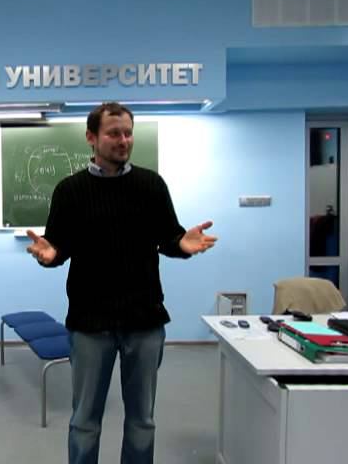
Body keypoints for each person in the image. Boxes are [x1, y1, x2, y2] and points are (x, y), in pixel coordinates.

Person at [26, 102, 217, 464]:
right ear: (91, 137)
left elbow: (169, 238)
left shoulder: (151, 185)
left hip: (144, 320)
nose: (123, 140)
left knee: (142, 421)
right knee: (85, 421)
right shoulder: (70, 190)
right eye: (114, 133)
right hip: (89, 323)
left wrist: (182, 245)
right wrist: (49, 256)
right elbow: (58, 247)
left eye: (128, 133)